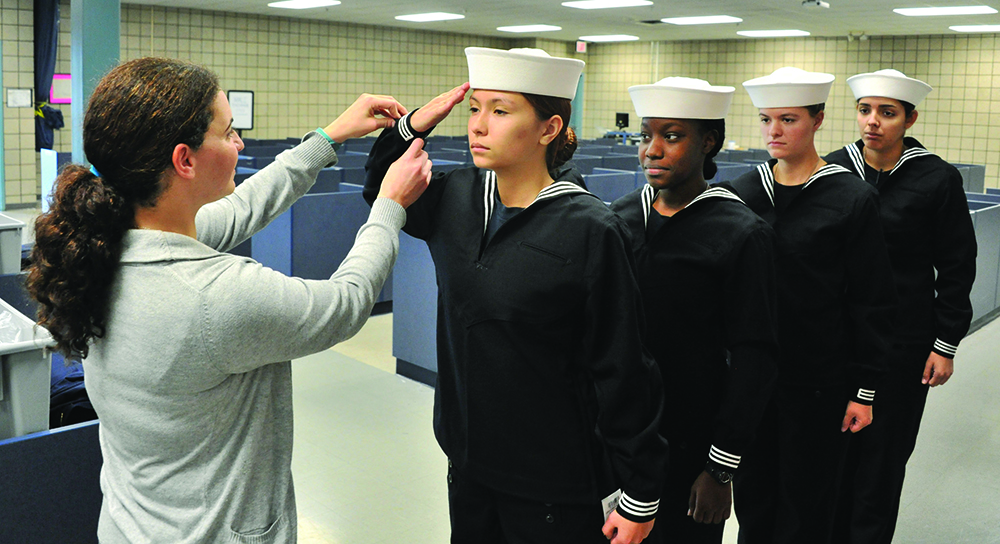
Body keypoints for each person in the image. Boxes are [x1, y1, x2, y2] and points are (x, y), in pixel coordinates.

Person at [25, 57, 431, 543]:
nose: (239, 143)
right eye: (229, 131)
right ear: (185, 160)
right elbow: (344, 303)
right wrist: (389, 206)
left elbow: (243, 208)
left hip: (131, 527)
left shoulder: (105, 245)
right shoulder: (214, 297)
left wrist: (329, 139)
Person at [363, 47, 667, 544]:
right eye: (475, 108)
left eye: (500, 111)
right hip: (468, 463)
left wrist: (639, 493)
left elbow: (624, 365)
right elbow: (383, 188)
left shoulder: (591, 228)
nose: (478, 125)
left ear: (548, 129)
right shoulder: (456, 198)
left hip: (552, 483)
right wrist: (413, 124)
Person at [720, 67, 897, 544]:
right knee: (754, 500)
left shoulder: (849, 197)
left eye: (788, 120)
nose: (774, 131)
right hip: (753, 376)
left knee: (808, 502)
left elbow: (871, 298)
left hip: (819, 376)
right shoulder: (743, 193)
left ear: (818, 121)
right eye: (766, 119)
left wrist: (865, 388)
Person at [609, 77, 779, 544]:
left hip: (691, 439)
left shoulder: (740, 232)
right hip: (619, 434)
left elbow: (755, 355)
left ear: (708, 141)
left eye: (672, 135)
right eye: (647, 135)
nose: (652, 150)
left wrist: (720, 469)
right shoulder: (621, 217)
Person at [823, 69, 977, 544]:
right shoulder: (832, 170)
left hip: (904, 341)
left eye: (887, 113)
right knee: (832, 455)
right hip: (838, 337)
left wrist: (945, 342)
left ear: (910, 118)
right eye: (865, 110)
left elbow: (956, 264)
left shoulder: (936, 179)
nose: (873, 122)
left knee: (884, 456)